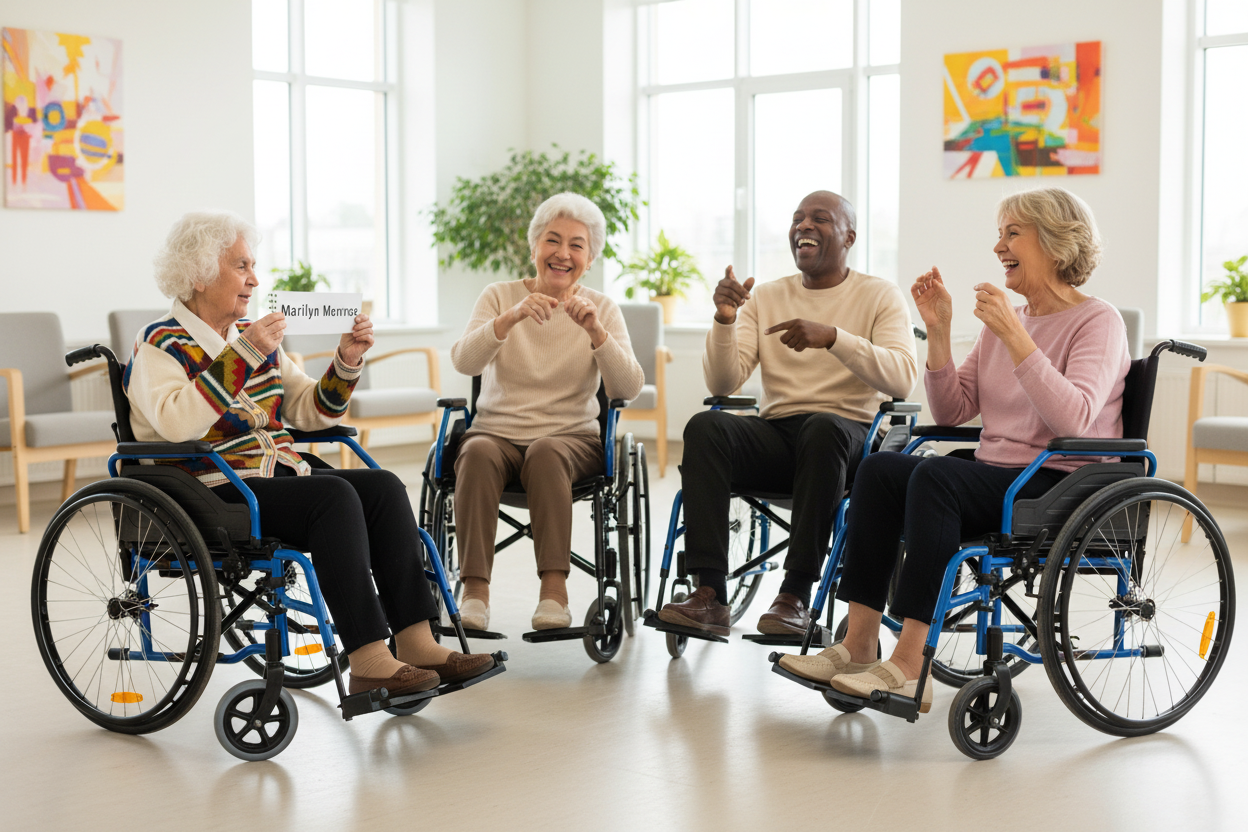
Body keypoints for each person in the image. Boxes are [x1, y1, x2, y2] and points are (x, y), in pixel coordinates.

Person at [777, 186, 1130, 712]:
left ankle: (910, 664)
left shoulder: (1097, 321)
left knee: (935, 478)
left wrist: (1016, 336)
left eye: (1013, 234)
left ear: (1056, 244)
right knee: (880, 469)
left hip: (1060, 481)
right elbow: (951, 412)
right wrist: (939, 333)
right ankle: (856, 645)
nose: (998, 247)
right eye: (999, 234)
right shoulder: (1008, 322)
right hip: (1001, 474)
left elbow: (1074, 418)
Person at [126, 211, 495, 697]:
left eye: (253, 266)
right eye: (241, 266)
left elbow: (311, 409)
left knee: (382, 487)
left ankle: (416, 639)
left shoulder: (251, 339)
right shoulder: (161, 343)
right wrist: (246, 354)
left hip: (271, 476)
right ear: (199, 274)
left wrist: (346, 360)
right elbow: (176, 423)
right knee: (334, 496)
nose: (254, 279)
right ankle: (368, 659)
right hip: (209, 488)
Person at [657, 190, 918, 638]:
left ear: (849, 236)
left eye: (820, 219)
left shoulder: (879, 295)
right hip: (780, 434)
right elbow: (723, 383)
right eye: (798, 219)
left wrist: (834, 337)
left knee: (822, 428)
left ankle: (794, 596)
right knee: (705, 426)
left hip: (848, 436)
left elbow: (902, 379)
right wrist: (723, 320)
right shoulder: (767, 298)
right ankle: (709, 595)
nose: (804, 226)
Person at [450, 193, 645, 631]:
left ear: (589, 258)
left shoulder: (604, 308)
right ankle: (474, 593)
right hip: (496, 434)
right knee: (475, 451)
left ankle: (554, 595)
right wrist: (510, 319)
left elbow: (627, 388)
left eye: (576, 245)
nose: (562, 253)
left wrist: (596, 332)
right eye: (552, 241)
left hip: (570, 441)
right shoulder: (499, 296)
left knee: (545, 452)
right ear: (534, 247)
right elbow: (465, 362)